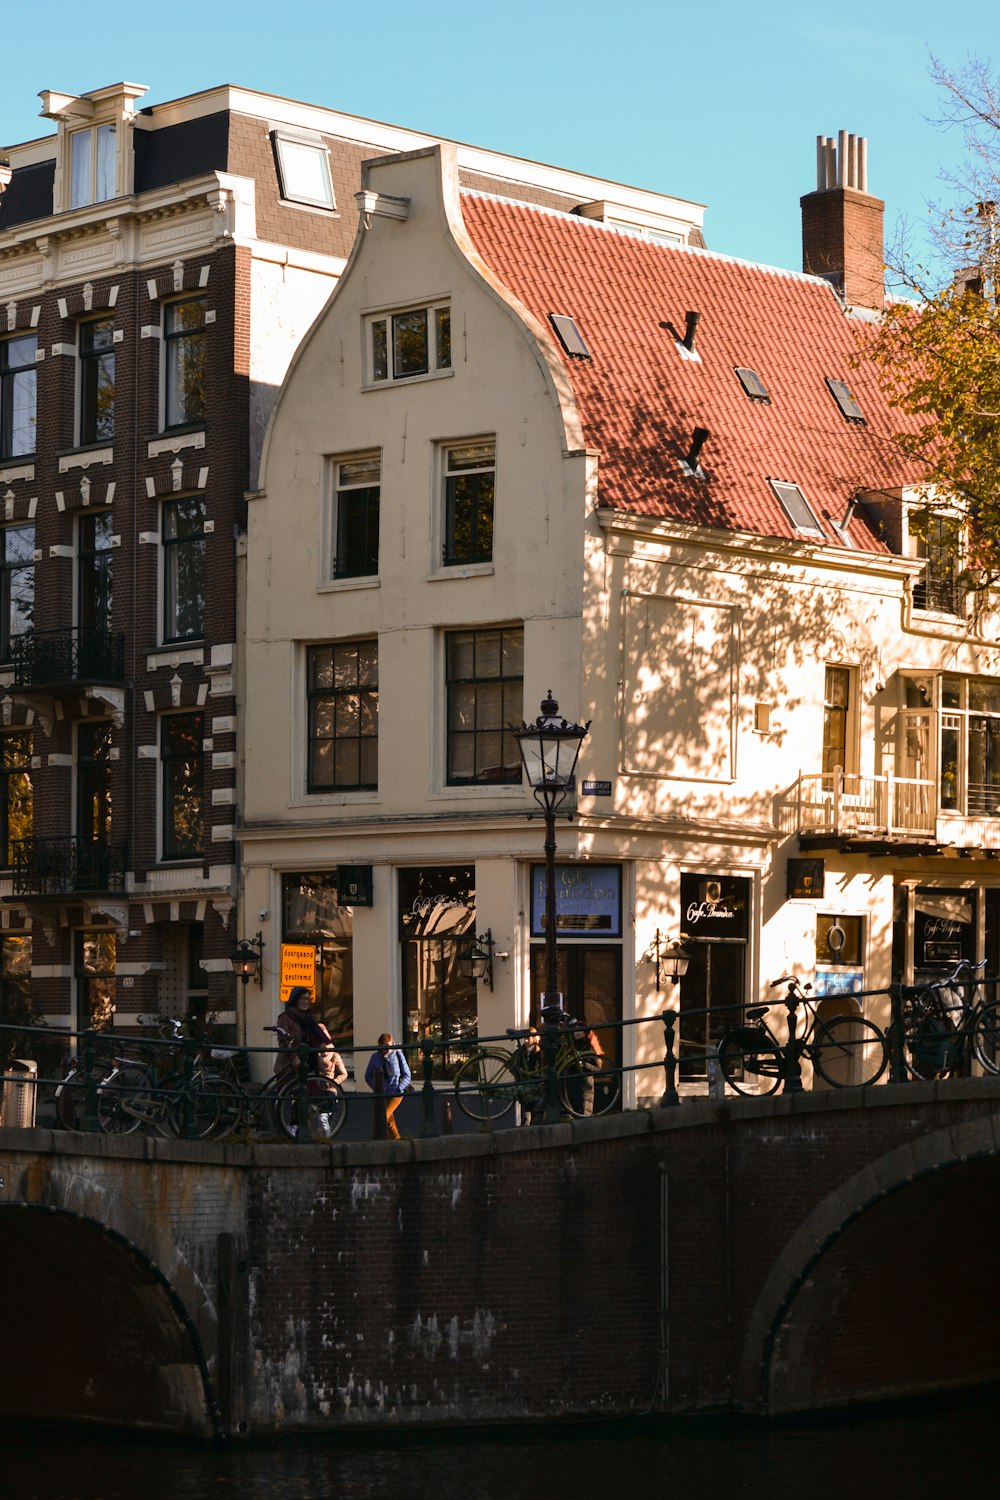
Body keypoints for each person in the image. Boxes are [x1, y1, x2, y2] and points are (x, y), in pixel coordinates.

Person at [274, 986, 348, 1088]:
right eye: (303, 999)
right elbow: (284, 1041)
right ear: (295, 1000)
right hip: (289, 1062)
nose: (306, 1002)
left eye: (308, 999)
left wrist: (324, 1047)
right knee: (287, 1094)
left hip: (308, 1060)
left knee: (311, 1093)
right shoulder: (285, 1018)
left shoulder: (309, 1019)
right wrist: (295, 1057)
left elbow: (316, 1037)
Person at [364, 1032, 411, 1139]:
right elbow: (368, 1076)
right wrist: (377, 1088)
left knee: (382, 1117)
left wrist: (400, 1087)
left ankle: (377, 1140)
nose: (388, 1049)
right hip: (382, 1094)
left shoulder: (398, 1054)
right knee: (390, 1122)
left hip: (396, 1093)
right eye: (385, 1046)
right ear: (380, 1045)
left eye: (390, 1046)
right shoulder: (375, 1057)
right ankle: (397, 1141)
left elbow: (407, 1074)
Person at [513, 1025, 545, 1126]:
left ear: (534, 1038)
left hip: (536, 1085)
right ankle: (525, 1125)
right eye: (525, 1038)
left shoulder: (539, 1053)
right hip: (524, 1085)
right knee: (525, 1113)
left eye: (528, 1038)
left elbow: (542, 1068)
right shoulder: (520, 1052)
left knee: (536, 1111)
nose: (526, 1040)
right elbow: (512, 1065)